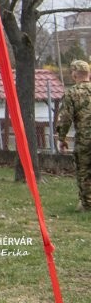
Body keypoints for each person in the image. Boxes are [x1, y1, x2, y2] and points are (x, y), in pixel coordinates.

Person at [56, 59, 91, 212]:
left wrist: (62, 138)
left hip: (85, 140)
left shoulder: (72, 93)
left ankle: (87, 205)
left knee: (84, 172)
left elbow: (65, 118)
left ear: (75, 75)